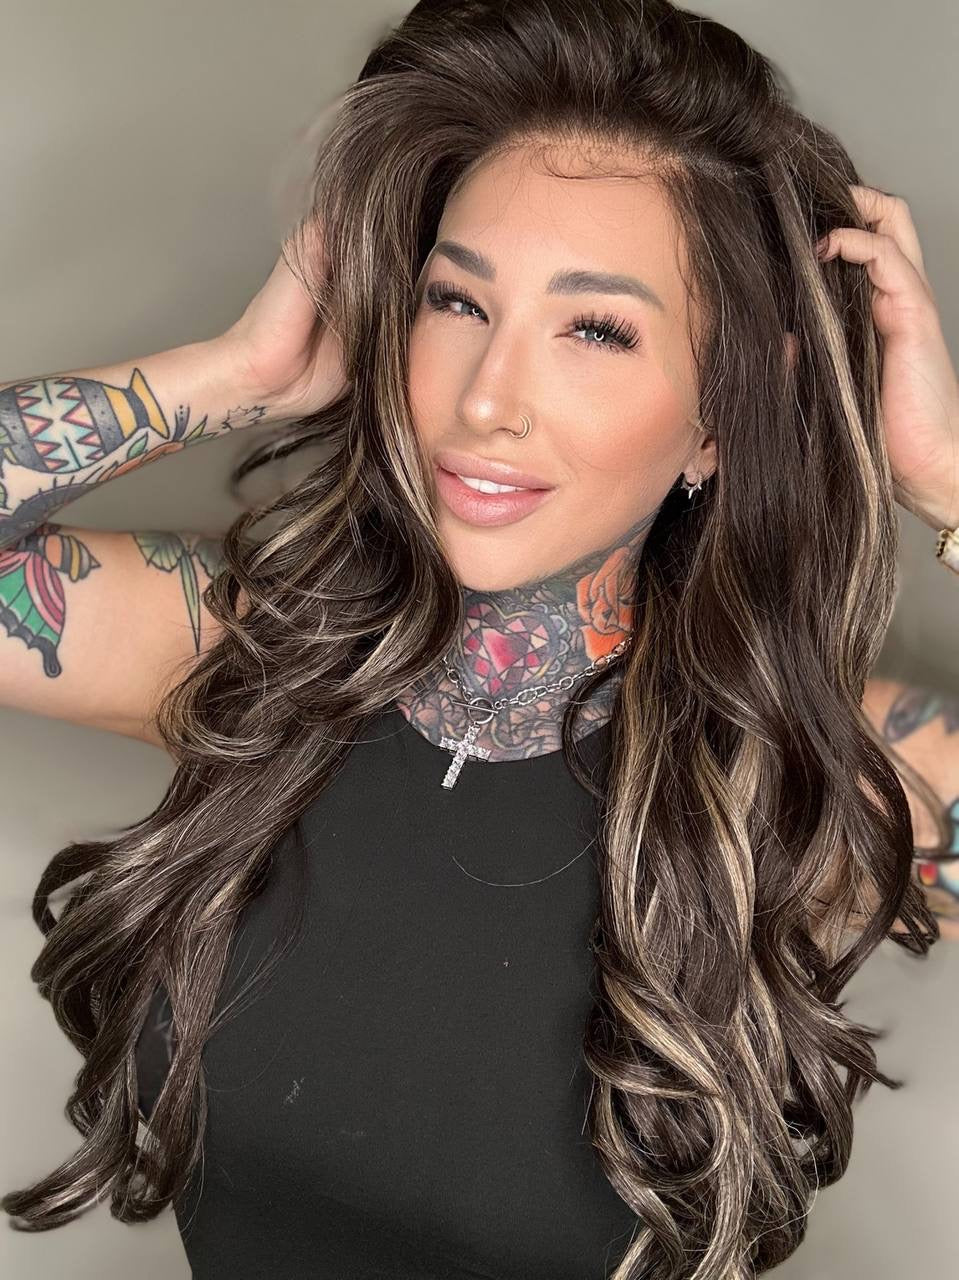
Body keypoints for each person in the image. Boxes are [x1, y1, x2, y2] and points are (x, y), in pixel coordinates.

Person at [2, 1, 958, 1276]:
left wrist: (946, 482)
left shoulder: (803, 774)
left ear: (722, 413)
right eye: (456, 302)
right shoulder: (260, 656)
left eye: (594, 328)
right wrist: (235, 372)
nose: (486, 398)